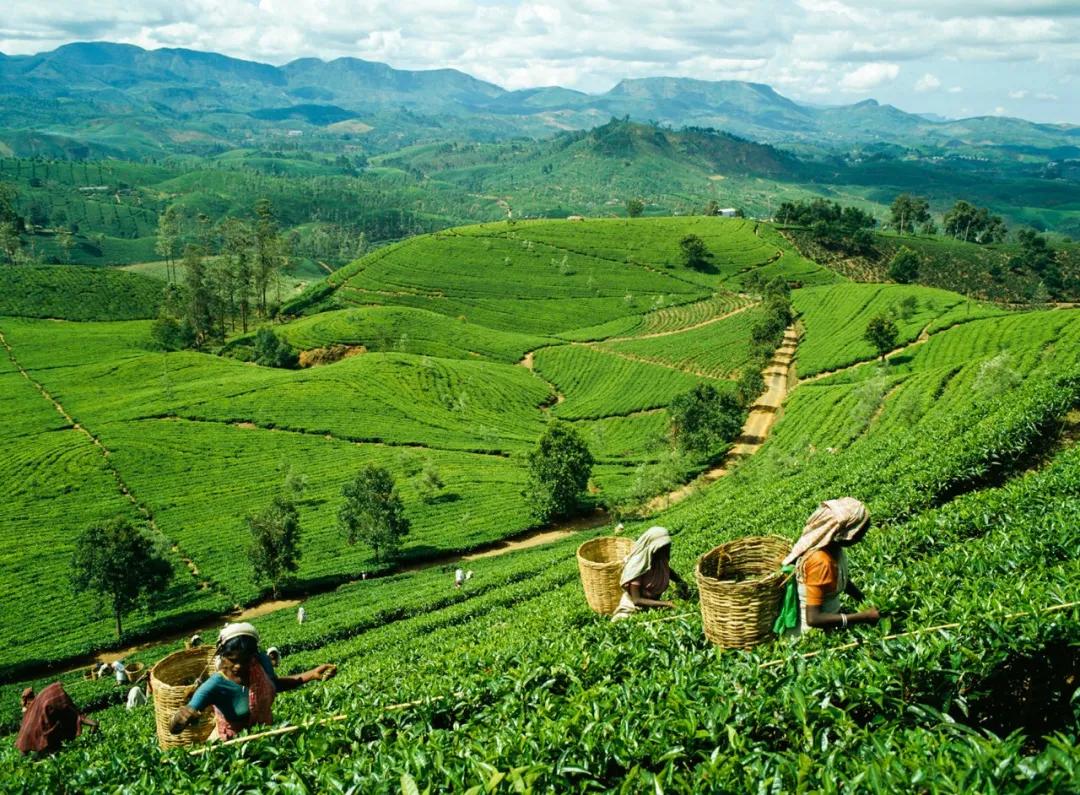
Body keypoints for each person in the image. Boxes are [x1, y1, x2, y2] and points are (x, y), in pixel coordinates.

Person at [168, 622, 335, 742]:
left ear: (253, 656)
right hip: (236, 745)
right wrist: (180, 718)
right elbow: (174, 728)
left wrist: (311, 675)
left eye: (246, 659)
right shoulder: (215, 685)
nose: (238, 666)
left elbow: (274, 684)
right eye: (232, 659)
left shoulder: (260, 663)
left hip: (267, 734)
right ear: (222, 655)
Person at [781, 497, 881, 635]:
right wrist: (863, 617)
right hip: (813, 635)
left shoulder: (834, 549)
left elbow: (841, 580)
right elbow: (813, 619)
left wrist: (864, 600)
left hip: (831, 621)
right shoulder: (821, 562)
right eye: (860, 532)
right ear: (846, 534)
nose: (862, 537)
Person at [611, 526, 686, 621]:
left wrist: (680, 582)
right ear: (653, 547)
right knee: (622, 620)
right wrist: (667, 603)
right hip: (632, 607)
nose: (667, 549)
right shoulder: (637, 567)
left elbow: (669, 571)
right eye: (663, 547)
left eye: (668, 546)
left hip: (653, 605)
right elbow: (636, 600)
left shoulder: (660, 559)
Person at [16, 683, 98, 755]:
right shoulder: (35, 706)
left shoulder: (39, 704)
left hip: (47, 735)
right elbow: (76, 714)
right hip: (45, 736)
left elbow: (74, 714)